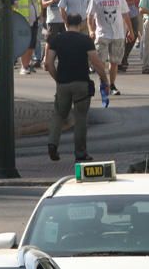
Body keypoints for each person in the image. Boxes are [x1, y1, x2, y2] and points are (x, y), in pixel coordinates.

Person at [44, 13, 110, 163]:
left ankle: (52, 144)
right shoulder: (85, 40)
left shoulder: (57, 39)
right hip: (81, 83)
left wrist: (58, 79)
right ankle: (80, 153)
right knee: (80, 118)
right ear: (80, 25)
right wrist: (104, 80)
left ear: (66, 23)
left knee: (59, 115)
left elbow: (48, 64)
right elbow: (96, 62)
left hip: (63, 84)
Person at [87, 0, 133, 94]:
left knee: (114, 61)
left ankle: (112, 85)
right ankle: (103, 83)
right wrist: (91, 30)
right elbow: (90, 16)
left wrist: (130, 31)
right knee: (100, 61)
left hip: (118, 34)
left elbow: (125, 14)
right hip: (102, 34)